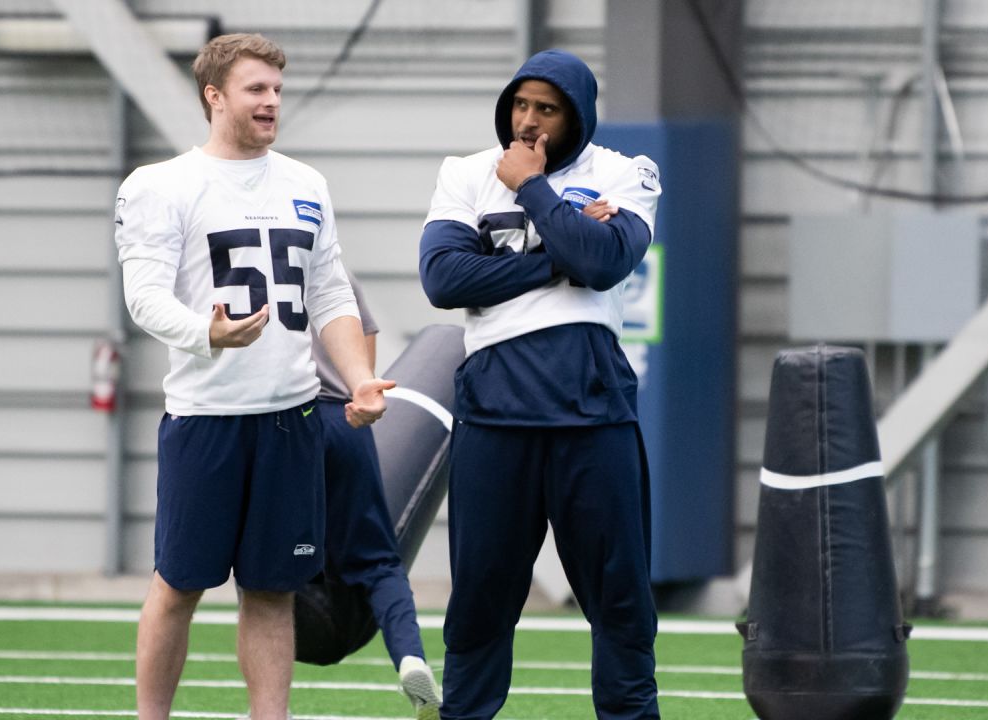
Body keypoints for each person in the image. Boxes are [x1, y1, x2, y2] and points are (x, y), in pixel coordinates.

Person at [115, 33, 394, 720]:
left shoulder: (306, 184)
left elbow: (331, 297)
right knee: (178, 585)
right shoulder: (161, 185)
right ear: (214, 96)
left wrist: (358, 377)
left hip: (292, 419)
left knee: (273, 589)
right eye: (255, 90)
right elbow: (144, 296)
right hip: (207, 418)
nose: (271, 103)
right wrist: (204, 332)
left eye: (275, 89)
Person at [417, 49, 663, 719]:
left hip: (594, 415)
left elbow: (605, 264)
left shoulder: (625, 171)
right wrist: (560, 259)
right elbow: (444, 280)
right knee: (480, 598)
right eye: (520, 106)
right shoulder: (465, 173)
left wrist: (532, 188)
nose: (527, 124)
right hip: (495, 416)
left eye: (546, 110)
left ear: (575, 116)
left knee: (620, 599)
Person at [309, 271, 443, 719]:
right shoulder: (335, 273)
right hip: (343, 419)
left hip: (284, 426)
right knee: (379, 560)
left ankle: (267, 704)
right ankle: (410, 658)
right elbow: (363, 362)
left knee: (267, 567)